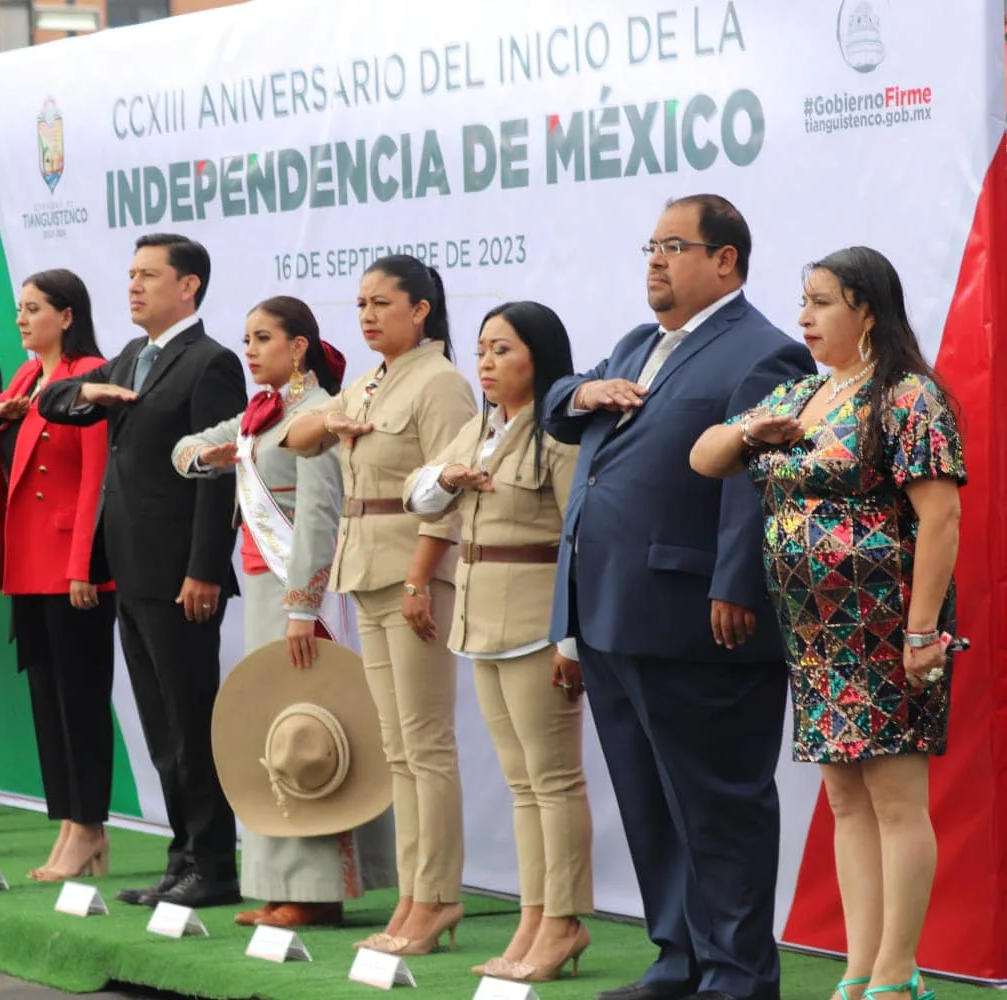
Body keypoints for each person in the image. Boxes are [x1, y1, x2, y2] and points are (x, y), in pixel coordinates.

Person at [541, 194, 815, 1000]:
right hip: (612, 611)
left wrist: (736, 584)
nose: (654, 261)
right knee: (650, 802)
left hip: (699, 616)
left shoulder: (765, 353)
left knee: (717, 805)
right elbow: (561, 402)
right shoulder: (636, 344)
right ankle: (679, 960)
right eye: (650, 246)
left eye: (673, 246)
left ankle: (736, 975)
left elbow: (761, 480)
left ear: (724, 260)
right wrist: (583, 396)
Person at [690, 247, 964, 1000]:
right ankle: (858, 970)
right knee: (846, 799)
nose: (804, 318)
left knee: (896, 798)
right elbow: (704, 455)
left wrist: (920, 632)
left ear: (868, 311)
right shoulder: (803, 394)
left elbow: (940, 518)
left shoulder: (908, 397)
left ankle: (897, 972)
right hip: (815, 634)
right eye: (802, 302)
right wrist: (756, 434)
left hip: (886, 628)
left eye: (822, 303)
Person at [38, 233, 246, 908]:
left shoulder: (209, 362)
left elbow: (217, 473)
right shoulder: (131, 357)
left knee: (191, 721)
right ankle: (181, 858)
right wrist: (88, 392)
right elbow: (51, 404)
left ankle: (213, 864)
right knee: (160, 727)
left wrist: (205, 568)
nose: (132, 286)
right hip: (129, 568)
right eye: (129, 275)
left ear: (188, 286)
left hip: (180, 574)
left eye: (148, 276)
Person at [175, 295, 396, 927]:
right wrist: (212, 456)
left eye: (262, 338)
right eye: (246, 339)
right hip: (265, 589)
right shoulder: (256, 415)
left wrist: (304, 605)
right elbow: (183, 451)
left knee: (315, 728)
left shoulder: (320, 413)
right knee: (272, 729)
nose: (249, 350)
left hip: (305, 591)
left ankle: (320, 886)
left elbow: (321, 516)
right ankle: (280, 882)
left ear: (298, 347)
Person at [281, 254, 477, 955]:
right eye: (360, 303)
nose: (366, 315)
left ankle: (438, 898)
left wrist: (424, 578)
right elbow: (294, 435)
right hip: (366, 569)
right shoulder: (366, 382)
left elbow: (450, 492)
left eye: (382, 303)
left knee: (427, 746)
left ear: (421, 309)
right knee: (397, 748)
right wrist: (333, 425)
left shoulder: (444, 382)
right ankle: (410, 898)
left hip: (413, 573)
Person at [404, 302, 590, 980]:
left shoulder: (561, 435)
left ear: (539, 358)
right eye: (481, 349)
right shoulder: (478, 429)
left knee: (554, 780)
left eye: (502, 350)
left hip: (539, 624)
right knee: (522, 785)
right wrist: (445, 476)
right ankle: (534, 918)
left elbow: (582, 539)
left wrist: (572, 641)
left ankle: (564, 921)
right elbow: (416, 496)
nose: (485, 362)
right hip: (480, 622)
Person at [0, 269, 116, 879]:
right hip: (24, 563)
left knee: (79, 701)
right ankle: (71, 825)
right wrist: (6, 409)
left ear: (67, 315)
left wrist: (84, 566)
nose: (21, 319)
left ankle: (90, 826)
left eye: (34, 309)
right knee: (47, 701)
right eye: (19, 308)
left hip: (71, 565)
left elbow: (96, 476)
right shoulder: (26, 376)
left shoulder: (90, 374)